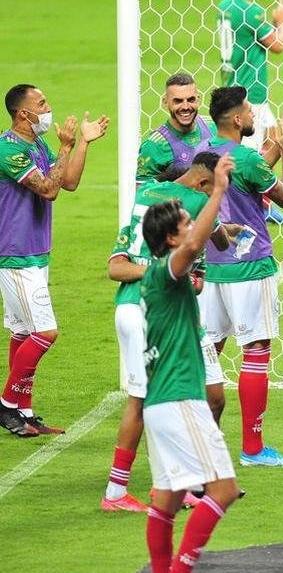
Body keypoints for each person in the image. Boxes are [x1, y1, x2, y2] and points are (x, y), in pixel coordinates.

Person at [102, 153, 235, 512]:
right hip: (145, 314)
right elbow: (213, 245)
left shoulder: (147, 195)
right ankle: (119, 492)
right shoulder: (194, 206)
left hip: (167, 317)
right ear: (203, 186)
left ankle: (191, 479)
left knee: (210, 395)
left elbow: (198, 273)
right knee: (146, 401)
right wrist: (165, 276)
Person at [139, 154, 241, 573]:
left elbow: (200, 243)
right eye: (185, 219)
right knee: (221, 490)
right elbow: (199, 240)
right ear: (171, 238)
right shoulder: (165, 269)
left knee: (166, 500)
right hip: (180, 400)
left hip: (160, 403)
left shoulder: (162, 279)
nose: (192, 219)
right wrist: (218, 188)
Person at [200, 86, 283, 466]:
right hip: (250, 266)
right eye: (249, 111)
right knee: (257, 350)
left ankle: (202, 440)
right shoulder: (246, 158)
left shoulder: (204, 151)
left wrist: (277, 146)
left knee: (210, 353)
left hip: (212, 268)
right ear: (236, 119)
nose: (253, 116)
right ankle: (253, 448)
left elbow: (250, 169)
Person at [0, 84, 108, 437]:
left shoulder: (38, 145)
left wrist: (83, 143)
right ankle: (5, 405)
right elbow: (48, 190)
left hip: (35, 253)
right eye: (42, 103)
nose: (48, 108)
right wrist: (65, 145)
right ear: (23, 114)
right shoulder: (8, 150)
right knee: (45, 333)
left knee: (23, 332)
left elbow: (68, 182)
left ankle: (24, 412)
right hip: (16, 256)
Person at [217, 0, 283, 222]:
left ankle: (265, 204)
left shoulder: (225, 6)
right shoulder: (252, 11)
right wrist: (281, 19)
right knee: (250, 158)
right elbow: (278, 46)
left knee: (274, 141)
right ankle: (243, 210)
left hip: (236, 85)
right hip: (249, 94)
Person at [135, 72, 214, 184]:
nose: (186, 107)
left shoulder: (214, 126)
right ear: (165, 102)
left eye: (191, 100)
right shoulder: (154, 146)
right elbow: (141, 191)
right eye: (178, 101)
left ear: (198, 99)